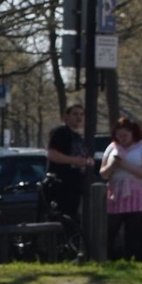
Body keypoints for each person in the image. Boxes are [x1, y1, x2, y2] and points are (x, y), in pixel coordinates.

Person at [100, 116, 142, 258]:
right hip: (115, 193)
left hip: (137, 193)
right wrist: (113, 165)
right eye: (119, 135)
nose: (122, 138)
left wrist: (126, 166)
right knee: (110, 229)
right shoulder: (112, 147)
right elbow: (103, 173)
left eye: (125, 135)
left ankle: (131, 259)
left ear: (133, 133)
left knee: (133, 232)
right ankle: (108, 258)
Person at [45, 100, 92, 235]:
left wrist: (87, 161)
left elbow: (81, 157)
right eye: (75, 114)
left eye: (82, 114)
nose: (79, 117)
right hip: (60, 186)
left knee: (73, 221)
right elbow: (52, 154)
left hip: (75, 186)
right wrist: (74, 160)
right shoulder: (60, 132)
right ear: (66, 117)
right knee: (62, 222)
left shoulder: (78, 137)